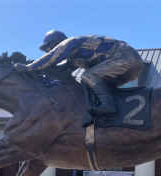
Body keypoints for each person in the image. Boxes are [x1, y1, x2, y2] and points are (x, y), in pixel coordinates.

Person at [14, 31, 143, 117]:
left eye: (48, 48)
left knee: (88, 76)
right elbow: (61, 72)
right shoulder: (74, 58)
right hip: (131, 66)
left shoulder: (70, 43)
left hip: (125, 57)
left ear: (55, 43)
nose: (47, 51)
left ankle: (108, 106)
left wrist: (28, 67)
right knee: (90, 84)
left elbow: (51, 58)